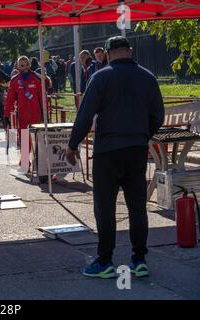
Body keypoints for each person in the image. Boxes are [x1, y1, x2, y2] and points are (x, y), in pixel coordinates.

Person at [66, 36, 164, 279]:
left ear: (108, 54)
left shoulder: (101, 77)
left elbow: (85, 115)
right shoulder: (147, 77)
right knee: (137, 207)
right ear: (130, 51)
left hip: (107, 151)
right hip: (135, 150)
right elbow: (158, 116)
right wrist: (142, 135)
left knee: (105, 207)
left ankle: (105, 261)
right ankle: (139, 260)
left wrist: (72, 144)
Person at [5, 56, 50, 133]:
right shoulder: (14, 80)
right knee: (24, 140)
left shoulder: (37, 78)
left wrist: (45, 114)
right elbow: (10, 99)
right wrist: (6, 115)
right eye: (21, 65)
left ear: (29, 65)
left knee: (36, 140)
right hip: (22, 115)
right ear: (18, 66)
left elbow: (43, 97)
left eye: (25, 64)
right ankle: (25, 145)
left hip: (36, 114)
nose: (23, 67)